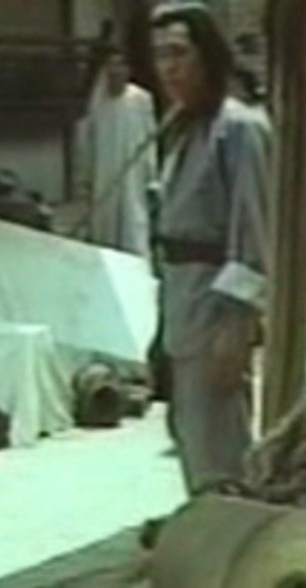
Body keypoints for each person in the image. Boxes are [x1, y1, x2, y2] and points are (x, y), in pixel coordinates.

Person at [150, 4, 272, 494]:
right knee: (188, 436)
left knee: (219, 448)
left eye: (179, 53)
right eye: (160, 55)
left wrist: (236, 324)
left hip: (215, 304)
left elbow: (254, 235)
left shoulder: (240, 128)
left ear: (209, 56)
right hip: (179, 299)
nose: (169, 68)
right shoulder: (180, 128)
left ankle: (233, 529)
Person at [80, 44, 159, 257]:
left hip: (133, 175)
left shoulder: (140, 99)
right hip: (104, 174)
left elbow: (150, 137)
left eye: (120, 65)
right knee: (105, 226)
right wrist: (86, 177)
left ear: (128, 70)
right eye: (111, 66)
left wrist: (152, 178)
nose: (115, 71)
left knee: (133, 223)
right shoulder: (98, 101)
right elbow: (89, 140)